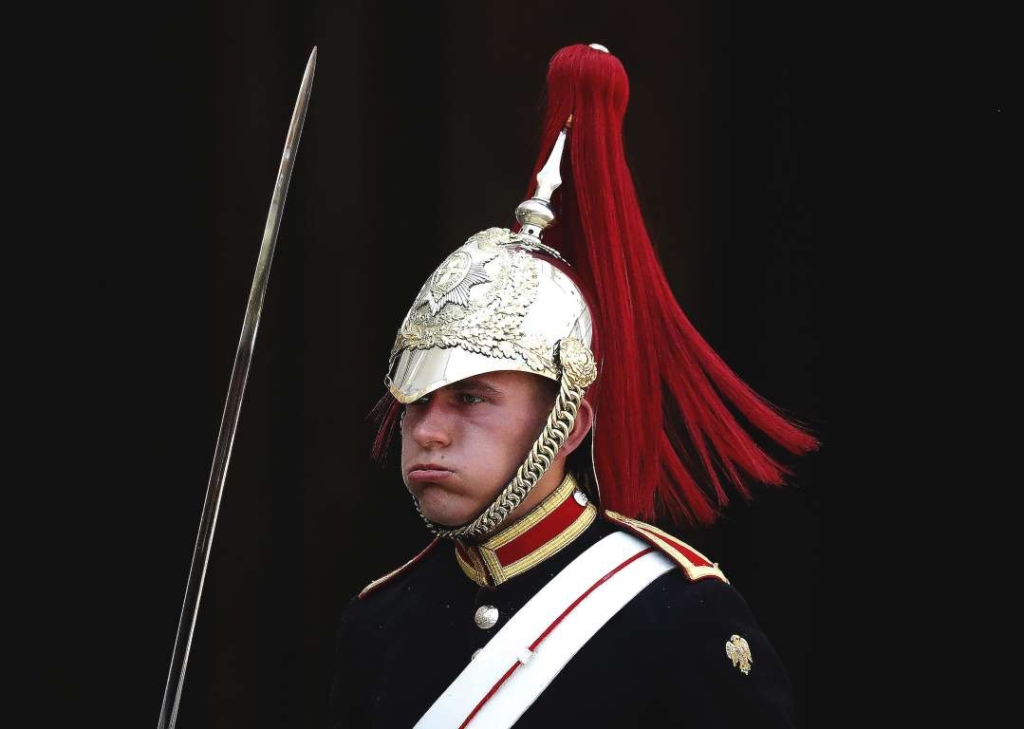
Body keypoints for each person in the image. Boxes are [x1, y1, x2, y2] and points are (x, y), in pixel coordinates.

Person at [328, 43, 818, 728]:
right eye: (416, 401)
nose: (428, 430)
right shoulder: (379, 620)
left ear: (570, 421)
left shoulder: (677, 614)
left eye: (470, 397)